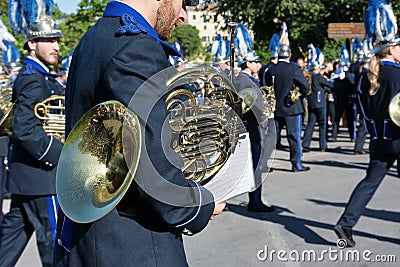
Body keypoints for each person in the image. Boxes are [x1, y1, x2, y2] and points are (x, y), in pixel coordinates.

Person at [53, 1, 225, 266]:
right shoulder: (136, 46)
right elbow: (155, 174)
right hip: (133, 246)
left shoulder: (94, 36)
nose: (183, 16)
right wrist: (198, 205)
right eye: (182, 3)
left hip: (90, 242)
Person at [334, 0, 400, 247]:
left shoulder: (366, 75)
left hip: (378, 140)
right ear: (391, 49)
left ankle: (346, 223)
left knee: (370, 181)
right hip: (398, 138)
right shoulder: (397, 74)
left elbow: (363, 110)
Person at [0, 15, 64, 267]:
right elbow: (25, 129)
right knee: (55, 247)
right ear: (31, 45)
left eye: (56, 40)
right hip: (43, 178)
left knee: (7, 245)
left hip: (27, 179)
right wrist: (61, 154)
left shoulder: (42, 78)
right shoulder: (33, 80)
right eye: (47, 40)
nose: (55, 46)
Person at [265, 22, 310, 172]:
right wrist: (298, 95)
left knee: (272, 138)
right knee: (294, 137)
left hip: (276, 108)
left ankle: (264, 164)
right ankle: (296, 164)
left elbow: (267, 88)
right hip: (292, 108)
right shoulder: (294, 68)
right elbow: (305, 86)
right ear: (289, 54)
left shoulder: (271, 69)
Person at [236, 51, 274, 212]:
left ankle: (255, 200)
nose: (258, 65)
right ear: (248, 63)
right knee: (255, 166)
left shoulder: (244, 79)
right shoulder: (245, 81)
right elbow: (253, 105)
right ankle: (255, 202)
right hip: (251, 127)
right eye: (255, 62)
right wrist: (264, 116)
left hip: (248, 126)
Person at [302, 46, 334, 152]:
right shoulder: (318, 77)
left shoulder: (308, 77)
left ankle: (306, 144)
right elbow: (330, 85)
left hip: (312, 102)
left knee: (311, 124)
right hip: (320, 103)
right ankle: (323, 145)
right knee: (322, 125)